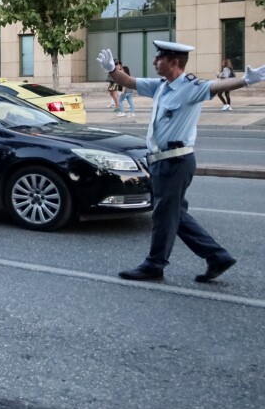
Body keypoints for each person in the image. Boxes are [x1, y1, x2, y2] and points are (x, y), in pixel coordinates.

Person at [98, 42, 263, 282]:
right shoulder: (161, 86)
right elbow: (129, 83)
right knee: (174, 213)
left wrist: (245, 81)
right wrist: (112, 69)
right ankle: (217, 256)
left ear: (174, 62)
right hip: (160, 162)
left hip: (175, 162)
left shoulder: (190, 87)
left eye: (159, 59)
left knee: (164, 215)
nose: (154, 63)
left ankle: (154, 265)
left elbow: (216, 85)